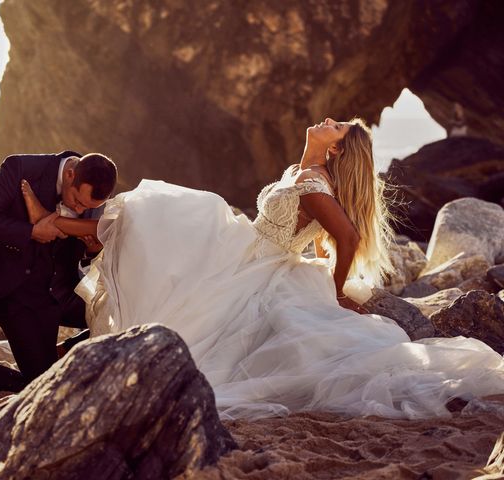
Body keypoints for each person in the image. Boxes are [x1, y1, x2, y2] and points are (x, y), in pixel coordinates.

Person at [25, 119, 504, 421]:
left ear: (335, 150)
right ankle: (66, 227)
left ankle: (57, 224)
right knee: (156, 218)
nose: (327, 120)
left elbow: (349, 238)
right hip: (246, 249)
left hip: (256, 263)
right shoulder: (307, 170)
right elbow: (309, 227)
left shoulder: (317, 183)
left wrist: (334, 292)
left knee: (158, 215)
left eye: (335, 127)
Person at [0, 151, 117, 394]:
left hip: (65, 289)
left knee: (122, 316)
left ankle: (60, 352)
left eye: (88, 207)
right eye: (77, 200)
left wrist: (92, 250)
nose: (80, 208)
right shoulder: (22, 168)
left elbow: (86, 249)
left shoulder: (92, 191)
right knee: (45, 388)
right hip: (19, 293)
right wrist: (30, 231)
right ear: (69, 173)